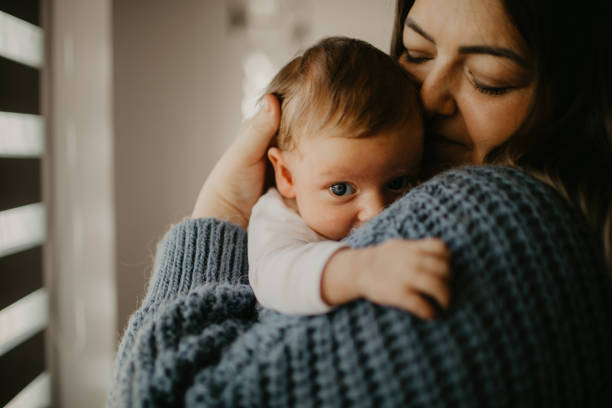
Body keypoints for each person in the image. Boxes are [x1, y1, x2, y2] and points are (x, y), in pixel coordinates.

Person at [108, 0, 612, 406]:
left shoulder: (499, 220)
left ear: (576, 101)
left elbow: (160, 394)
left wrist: (216, 213)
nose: (428, 97)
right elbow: (279, 278)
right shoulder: (285, 218)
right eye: (415, 53)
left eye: (488, 80)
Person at [249, 36, 451, 317]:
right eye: (341, 189)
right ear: (287, 176)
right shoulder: (278, 218)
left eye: (397, 183)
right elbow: (272, 277)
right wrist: (362, 270)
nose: (376, 212)